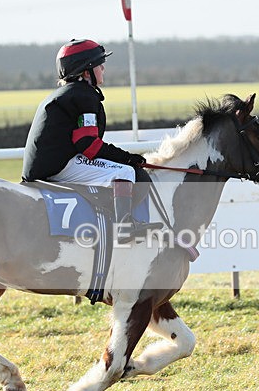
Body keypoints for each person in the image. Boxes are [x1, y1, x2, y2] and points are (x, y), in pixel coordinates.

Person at [22, 38, 161, 243]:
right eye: (99, 64)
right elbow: (89, 145)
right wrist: (127, 158)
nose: (103, 68)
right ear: (87, 71)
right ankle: (124, 227)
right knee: (125, 172)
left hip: (45, 165)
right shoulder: (83, 96)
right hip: (57, 166)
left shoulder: (65, 94)